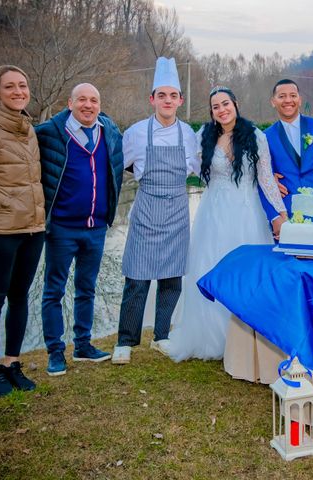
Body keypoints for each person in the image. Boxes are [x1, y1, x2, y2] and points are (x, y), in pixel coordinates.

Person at [167, 86, 287, 361]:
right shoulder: (204, 137)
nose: (222, 109)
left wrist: (281, 215)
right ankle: (212, 336)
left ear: (235, 103)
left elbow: (266, 178)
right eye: (216, 106)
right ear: (211, 112)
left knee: (247, 272)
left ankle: (247, 340)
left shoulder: (254, 135)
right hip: (215, 212)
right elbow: (192, 167)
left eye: (226, 104)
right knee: (212, 265)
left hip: (247, 211)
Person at [111, 58, 199, 365]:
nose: (167, 101)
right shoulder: (135, 133)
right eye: (161, 95)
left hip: (177, 211)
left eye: (172, 96)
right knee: (136, 278)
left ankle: (161, 335)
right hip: (146, 210)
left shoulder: (188, 134)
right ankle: (126, 340)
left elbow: (198, 169)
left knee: (172, 278)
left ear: (180, 100)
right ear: (152, 99)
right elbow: (118, 169)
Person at [36, 83, 123, 376]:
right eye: (82, 100)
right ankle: (55, 352)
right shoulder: (50, 132)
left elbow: (118, 168)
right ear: (69, 102)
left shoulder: (108, 131)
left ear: (100, 104)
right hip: (61, 228)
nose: (88, 105)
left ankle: (83, 345)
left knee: (86, 288)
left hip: (96, 228)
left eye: (94, 100)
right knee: (53, 291)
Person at [0, 65, 45, 395]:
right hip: (2, 229)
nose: (17, 91)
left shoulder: (29, 127)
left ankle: (12, 362)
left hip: (33, 228)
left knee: (20, 297)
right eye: (9, 86)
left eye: (22, 86)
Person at [261, 78, 313, 237]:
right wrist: (274, 217)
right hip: (287, 213)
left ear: (299, 100)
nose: (288, 100)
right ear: (273, 101)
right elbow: (262, 180)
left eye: (292, 95)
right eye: (282, 96)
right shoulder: (265, 137)